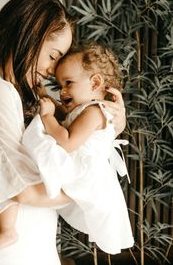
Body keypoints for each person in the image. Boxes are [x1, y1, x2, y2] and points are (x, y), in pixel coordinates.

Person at [0, 0, 126, 265]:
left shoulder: (10, 89)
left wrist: (108, 127)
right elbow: (22, 190)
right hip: (7, 252)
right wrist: (89, 186)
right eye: (53, 55)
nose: (52, 70)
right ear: (31, 34)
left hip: (30, 244)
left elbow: (65, 141)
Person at [23, 43, 134, 254]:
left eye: (68, 83)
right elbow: (66, 118)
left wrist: (46, 116)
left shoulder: (94, 112)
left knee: (28, 192)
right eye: (59, 85)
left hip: (86, 173)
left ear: (95, 83)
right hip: (80, 166)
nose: (63, 91)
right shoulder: (85, 108)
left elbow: (67, 141)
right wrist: (45, 95)